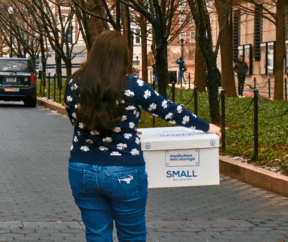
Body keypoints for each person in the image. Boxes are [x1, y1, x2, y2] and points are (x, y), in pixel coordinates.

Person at [65, 31, 219, 242]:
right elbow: (169, 110)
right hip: (124, 171)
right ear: (123, 56)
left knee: (96, 234)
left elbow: (79, 120)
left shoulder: (74, 84)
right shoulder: (132, 86)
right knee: (132, 235)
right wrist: (205, 126)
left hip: (82, 169)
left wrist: (121, 128)